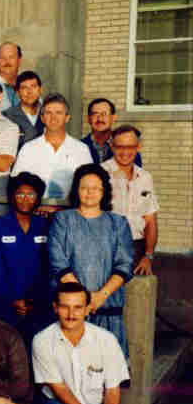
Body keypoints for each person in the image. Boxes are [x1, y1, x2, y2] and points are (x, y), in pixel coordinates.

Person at [49, 163, 134, 358]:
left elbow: (125, 264)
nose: (90, 192)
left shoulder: (118, 223)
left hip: (108, 310)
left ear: (104, 192)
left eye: (96, 188)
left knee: (108, 368)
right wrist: (82, 300)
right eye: (84, 187)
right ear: (76, 190)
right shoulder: (62, 220)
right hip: (71, 312)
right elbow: (57, 260)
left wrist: (100, 296)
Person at [0, 172, 50, 347]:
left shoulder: (45, 225)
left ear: (38, 197)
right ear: (12, 196)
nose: (25, 199)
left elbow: (49, 267)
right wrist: (12, 300)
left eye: (31, 194)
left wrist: (36, 300)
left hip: (38, 305)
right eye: (20, 194)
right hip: (6, 305)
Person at [11, 93, 93, 199]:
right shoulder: (28, 149)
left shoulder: (81, 149)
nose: (53, 117)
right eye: (48, 113)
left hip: (70, 207)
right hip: (36, 207)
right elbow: (16, 184)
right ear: (42, 118)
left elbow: (89, 183)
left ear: (67, 117)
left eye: (59, 113)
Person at [102, 125, 159, 274]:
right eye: (120, 147)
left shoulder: (145, 177)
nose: (125, 152)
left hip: (137, 250)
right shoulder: (100, 173)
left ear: (138, 147)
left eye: (130, 147)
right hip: (106, 248)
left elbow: (150, 220)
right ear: (112, 146)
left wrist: (148, 256)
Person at [83, 98, 142, 166]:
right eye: (95, 114)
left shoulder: (129, 149)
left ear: (114, 118)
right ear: (88, 119)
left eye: (104, 114)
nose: (100, 119)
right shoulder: (79, 147)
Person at [2, 70, 45, 148]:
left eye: (33, 86)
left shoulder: (50, 113)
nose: (29, 92)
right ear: (18, 93)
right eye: (24, 88)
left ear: (40, 90)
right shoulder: (7, 116)